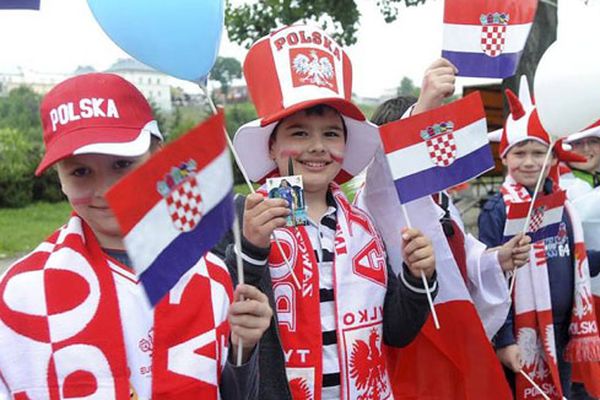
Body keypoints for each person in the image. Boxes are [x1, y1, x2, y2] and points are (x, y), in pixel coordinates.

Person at [0, 73, 270, 399]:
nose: (106, 190)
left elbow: (232, 391)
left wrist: (243, 349)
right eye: (80, 172)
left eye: (122, 164)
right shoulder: (20, 293)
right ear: (60, 179)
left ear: (158, 157)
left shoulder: (212, 277)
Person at [214, 25, 437, 400]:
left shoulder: (365, 226)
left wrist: (419, 278)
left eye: (331, 134)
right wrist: (252, 248)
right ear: (272, 147)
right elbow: (225, 330)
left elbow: (397, 332)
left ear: (346, 147)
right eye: (299, 133)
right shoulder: (240, 220)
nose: (317, 147)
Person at [358, 58, 530, 400]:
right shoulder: (378, 196)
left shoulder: (440, 198)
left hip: (456, 324)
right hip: (417, 335)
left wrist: (498, 258)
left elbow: (464, 254)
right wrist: (424, 107)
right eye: (413, 139)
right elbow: (385, 168)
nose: (419, 150)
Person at [478, 78, 600, 399]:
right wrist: (504, 340)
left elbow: (576, 261)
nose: (530, 162)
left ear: (554, 159)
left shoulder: (563, 207)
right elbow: (492, 277)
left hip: (562, 332)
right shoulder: (497, 210)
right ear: (504, 157)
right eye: (520, 152)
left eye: (538, 152)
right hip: (520, 333)